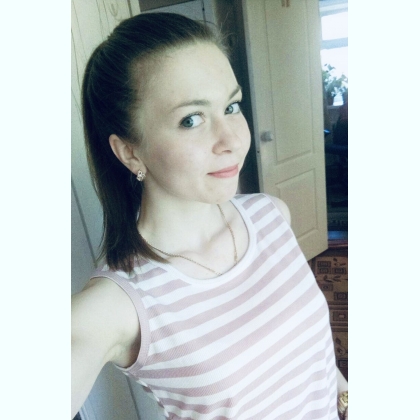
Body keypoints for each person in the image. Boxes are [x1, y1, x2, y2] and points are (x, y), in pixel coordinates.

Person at [72, 12, 348, 420]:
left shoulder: (271, 217)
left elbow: (311, 357)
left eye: (232, 106)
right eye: (191, 119)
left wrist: (345, 397)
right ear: (130, 151)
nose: (232, 139)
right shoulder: (118, 305)